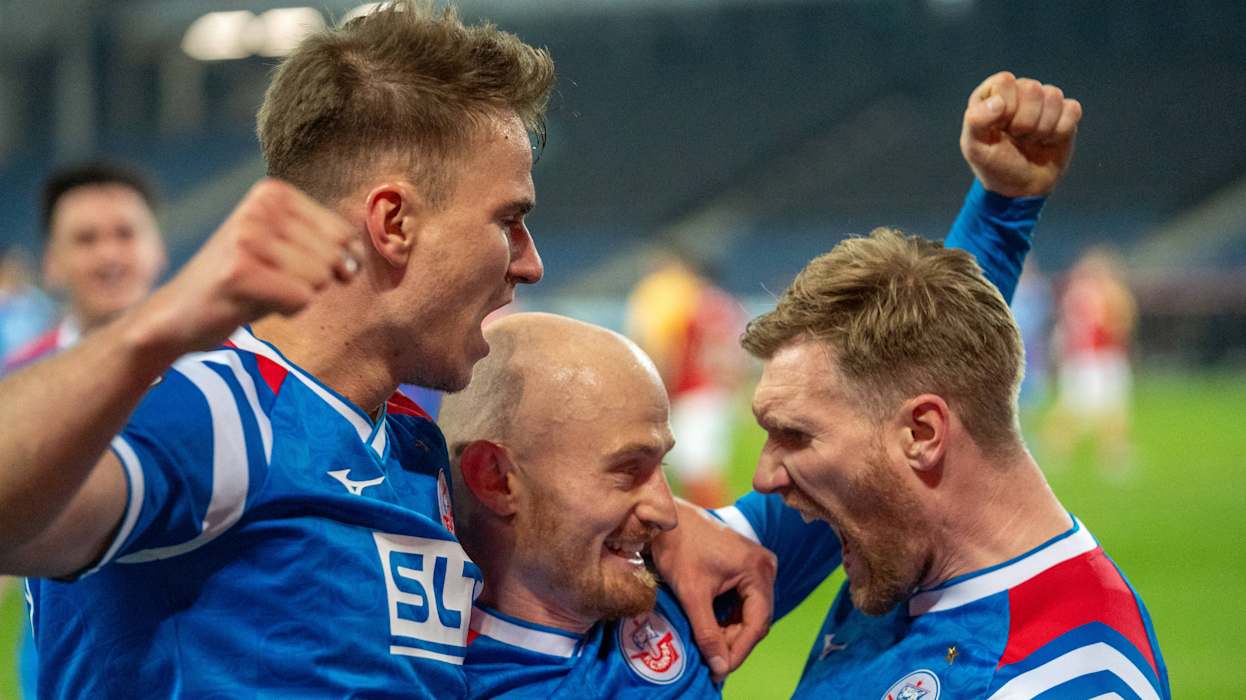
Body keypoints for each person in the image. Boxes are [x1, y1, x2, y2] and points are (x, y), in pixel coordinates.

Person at [0, 3, 584, 696]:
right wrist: (153, 328)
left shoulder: (412, 448)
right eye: (508, 220)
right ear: (393, 222)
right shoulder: (219, 413)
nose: (530, 262)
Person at [738, 226, 1168, 698]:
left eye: (794, 435)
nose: (764, 477)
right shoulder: (898, 554)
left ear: (922, 434)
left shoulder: (1068, 682)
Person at [439, 312, 723, 698]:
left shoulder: (689, 581)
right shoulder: (429, 681)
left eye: (662, 466)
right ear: (497, 479)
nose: (668, 514)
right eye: (628, 470)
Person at [2, 162, 165, 374]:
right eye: (86, 239)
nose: (108, 255)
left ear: (158, 249)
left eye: (125, 234)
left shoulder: (204, 356)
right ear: (51, 262)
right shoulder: (18, 377)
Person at [625, 253, 747, 507]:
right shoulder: (725, 304)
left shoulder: (688, 304)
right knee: (698, 464)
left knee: (696, 468)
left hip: (694, 391)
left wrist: (664, 387)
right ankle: (713, 519)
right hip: (716, 391)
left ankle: (715, 522)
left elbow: (674, 352)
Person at [1045, 246, 1138, 475]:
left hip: (1087, 360)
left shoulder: (1076, 294)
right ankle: (1056, 448)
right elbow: (1115, 325)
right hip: (1095, 360)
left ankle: (1112, 454)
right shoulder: (1096, 295)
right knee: (1086, 410)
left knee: (1104, 410)